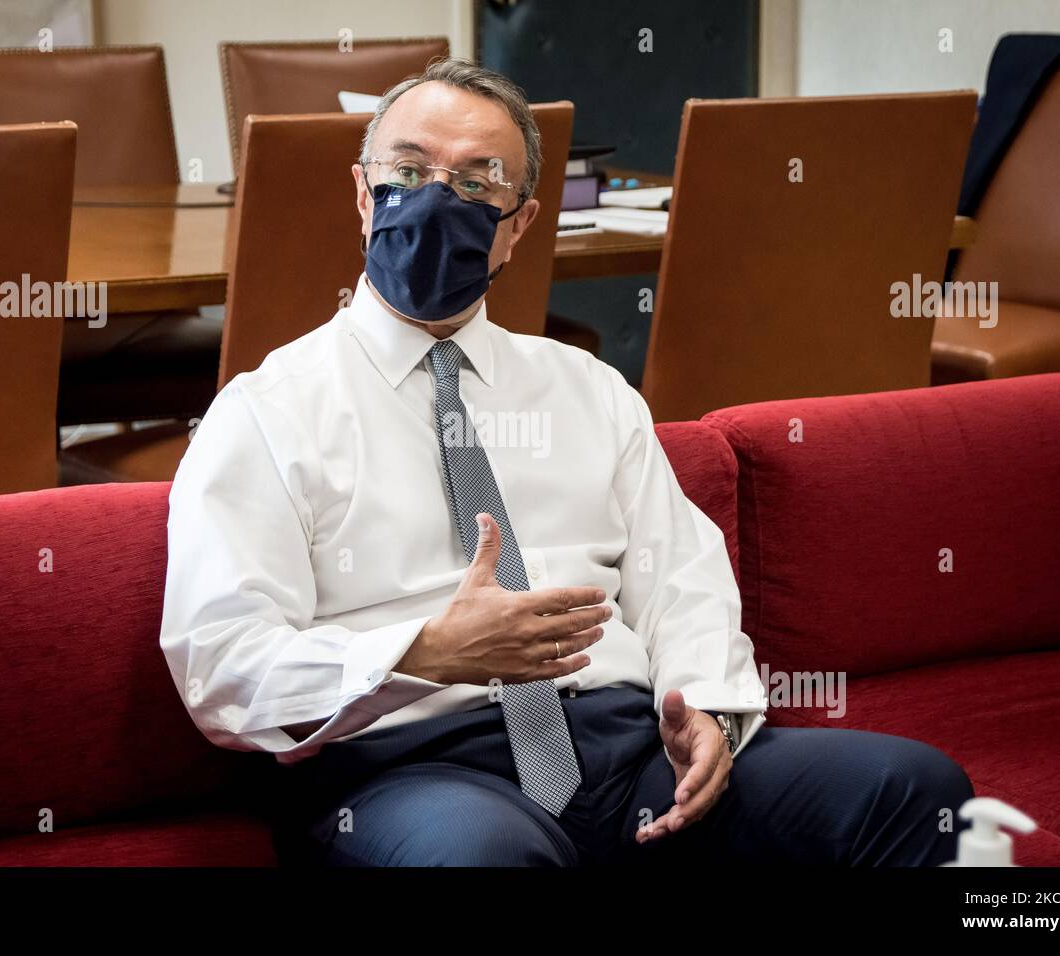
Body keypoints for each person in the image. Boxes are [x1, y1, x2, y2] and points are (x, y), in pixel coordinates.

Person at [159, 57, 973, 866]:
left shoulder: (587, 388)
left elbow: (682, 573)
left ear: (519, 223)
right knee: (480, 856)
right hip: (413, 768)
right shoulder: (266, 412)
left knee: (913, 788)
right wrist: (422, 651)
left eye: (479, 183)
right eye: (409, 170)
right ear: (365, 194)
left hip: (629, 748)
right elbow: (221, 665)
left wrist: (708, 709)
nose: (440, 197)